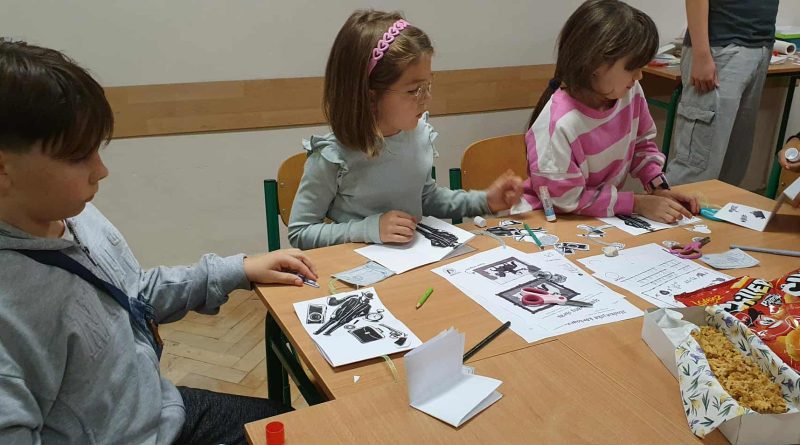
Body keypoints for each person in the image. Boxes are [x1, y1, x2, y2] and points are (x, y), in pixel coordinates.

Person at [0, 39, 316, 445]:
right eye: (78, 156)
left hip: (156, 409)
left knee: (298, 427)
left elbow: (133, 295)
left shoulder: (75, 215)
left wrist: (238, 269)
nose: (101, 170)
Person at [288, 10, 523, 250]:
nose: (427, 98)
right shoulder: (332, 156)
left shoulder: (418, 135)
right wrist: (369, 229)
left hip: (413, 263)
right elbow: (300, 232)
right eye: (413, 91)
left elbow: (426, 198)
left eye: (428, 85)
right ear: (370, 97)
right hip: (357, 266)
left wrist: (485, 201)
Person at [521, 0, 698, 223]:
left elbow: (641, 145)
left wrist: (658, 187)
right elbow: (565, 200)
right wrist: (636, 203)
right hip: (550, 220)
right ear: (595, 64)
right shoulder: (559, 123)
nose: (639, 76)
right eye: (632, 68)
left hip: (599, 219)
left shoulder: (629, 92)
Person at [666, 0, 779, 186]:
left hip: (760, 45)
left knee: (733, 164)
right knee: (696, 168)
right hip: (720, 46)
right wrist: (701, 54)